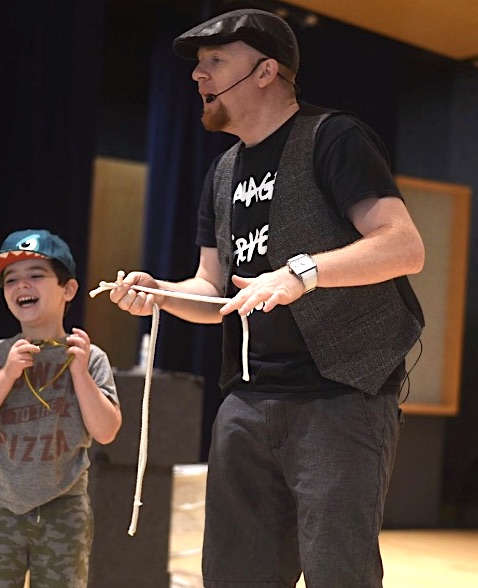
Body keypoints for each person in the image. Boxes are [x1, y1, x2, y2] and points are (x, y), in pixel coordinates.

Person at [110, 8, 425, 588]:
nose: (198, 77)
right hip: (249, 402)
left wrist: (301, 272)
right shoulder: (223, 170)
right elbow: (210, 288)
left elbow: (404, 246)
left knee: (340, 573)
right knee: (234, 575)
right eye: (198, 65)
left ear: (264, 72)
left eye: (214, 62)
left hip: (341, 394)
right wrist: (160, 293)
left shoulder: (333, 137)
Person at [0, 228, 121, 588]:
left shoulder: (88, 356)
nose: (21, 286)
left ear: (69, 289)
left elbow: (106, 430)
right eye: (11, 280)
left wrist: (80, 373)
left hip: (64, 511)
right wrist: (7, 374)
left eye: (36, 275)